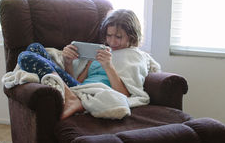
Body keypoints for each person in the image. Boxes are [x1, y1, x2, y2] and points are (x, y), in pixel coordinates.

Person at [17, 9, 148, 119]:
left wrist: (108, 66)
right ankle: (71, 98)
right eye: (109, 35)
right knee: (35, 48)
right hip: (79, 89)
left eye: (118, 37)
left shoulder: (133, 56)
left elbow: (125, 95)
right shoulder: (101, 51)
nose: (112, 41)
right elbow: (77, 83)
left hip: (99, 92)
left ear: (132, 37)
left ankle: (72, 100)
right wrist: (68, 62)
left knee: (25, 57)